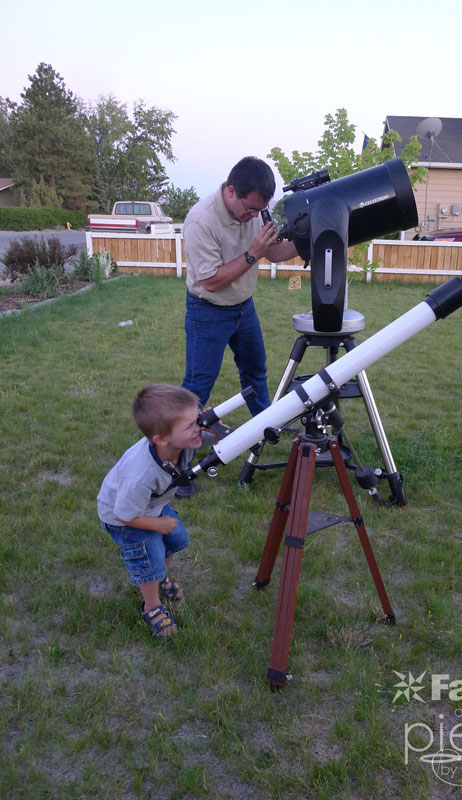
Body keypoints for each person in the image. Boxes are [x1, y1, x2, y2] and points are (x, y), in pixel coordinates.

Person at [182, 156, 297, 417]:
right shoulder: (201, 221)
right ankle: (175, 448)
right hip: (207, 311)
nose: (256, 216)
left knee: (256, 371)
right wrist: (252, 254)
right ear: (231, 191)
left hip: (244, 308)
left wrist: (311, 240)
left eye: (261, 209)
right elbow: (210, 282)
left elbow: (275, 253)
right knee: (198, 386)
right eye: (251, 209)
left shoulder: (253, 210)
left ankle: (265, 427)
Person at [97, 384, 209, 639]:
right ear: (160, 439)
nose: (200, 427)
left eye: (199, 418)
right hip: (124, 517)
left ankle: (158, 579)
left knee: (176, 539)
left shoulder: (183, 439)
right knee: (148, 557)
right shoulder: (141, 474)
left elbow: (217, 437)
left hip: (150, 506)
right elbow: (123, 515)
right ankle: (151, 605)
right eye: (192, 424)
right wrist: (157, 525)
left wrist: (215, 424)